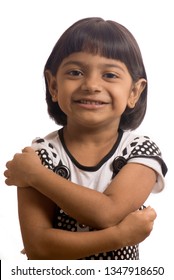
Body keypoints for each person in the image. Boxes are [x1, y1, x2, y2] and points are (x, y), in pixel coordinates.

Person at [4, 17, 167, 260]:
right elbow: (39, 248)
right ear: (53, 85)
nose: (91, 85)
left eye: (110, 75)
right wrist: (120, 236)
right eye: (75, 72)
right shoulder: (40, 155)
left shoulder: (139, 150)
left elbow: (107, 212)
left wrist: (37, 177)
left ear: (134, 92)